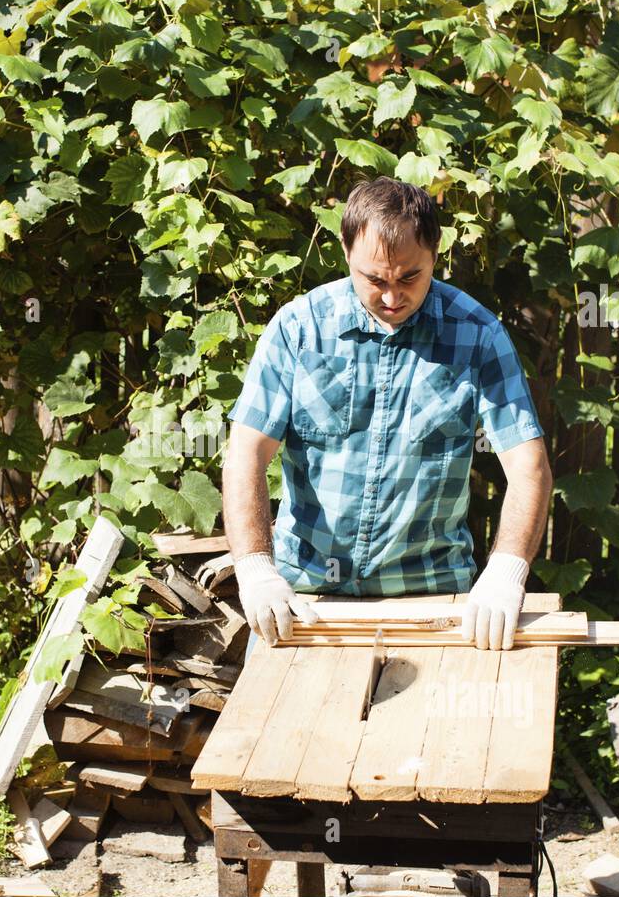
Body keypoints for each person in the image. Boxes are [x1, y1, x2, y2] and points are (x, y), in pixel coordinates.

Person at [222, 177, 553, 653]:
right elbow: (245, 457)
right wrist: (255, 570)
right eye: (374, 279)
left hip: (435, 600)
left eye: (409, 278)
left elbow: (529, 466)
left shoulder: (477, 334)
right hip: (304, 600)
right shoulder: (299, 329)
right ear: (345, 251)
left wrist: (506, 570)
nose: (392, 296)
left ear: (435, 253)